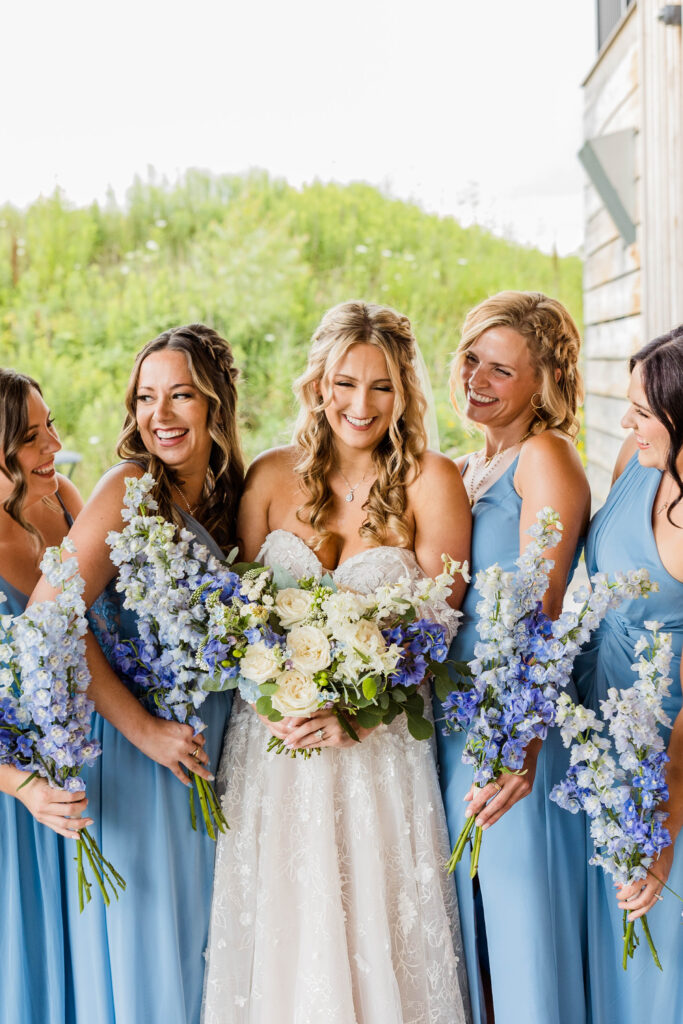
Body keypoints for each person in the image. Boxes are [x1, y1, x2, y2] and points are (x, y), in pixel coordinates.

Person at [202, 301, 473, 1024]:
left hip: (375, 754)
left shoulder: (430, 481)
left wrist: (357, 715)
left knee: (376, 935)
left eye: (381, 386)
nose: (361, 404)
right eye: (345, 382)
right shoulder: (267, 477)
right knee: (284, 936)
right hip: (274, 750)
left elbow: (440, 628)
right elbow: (235, 616)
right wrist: (275, 694)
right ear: (318, 384)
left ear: (403, 392)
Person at [30, 325, 243, 1024]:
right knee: (152, 961)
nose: (161, 414)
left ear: (215, 404)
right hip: (138, 755)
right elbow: (51, 617)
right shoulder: (129, 489)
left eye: (180, 395)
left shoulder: (230, 499)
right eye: (146, 398)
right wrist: (146, 729)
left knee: (210, 959)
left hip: (215, 760)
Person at [434, 291, 591, 1024]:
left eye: (500, 370)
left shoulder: (544, 456)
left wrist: (519, 744)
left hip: (511, 722)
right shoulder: (468, 465)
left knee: (516, 918)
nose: (477, 380)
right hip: (452, 717)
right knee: (465, 921)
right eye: (472, 360)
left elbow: (545, 603)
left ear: (542, 383)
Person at [573, 325, 683, 1024]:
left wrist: (664, 821)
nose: (624, 423)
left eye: (641, 412)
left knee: (657, 940)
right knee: (601, 922)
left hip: (669, 748)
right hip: (595, 712)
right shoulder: (633, 458)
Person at [0, 369, 87, 1024]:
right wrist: (23, 786)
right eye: (32, 437)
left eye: (50, 423)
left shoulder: (62, 503)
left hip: (82, 773)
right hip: (15, 798)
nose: (54, 444)